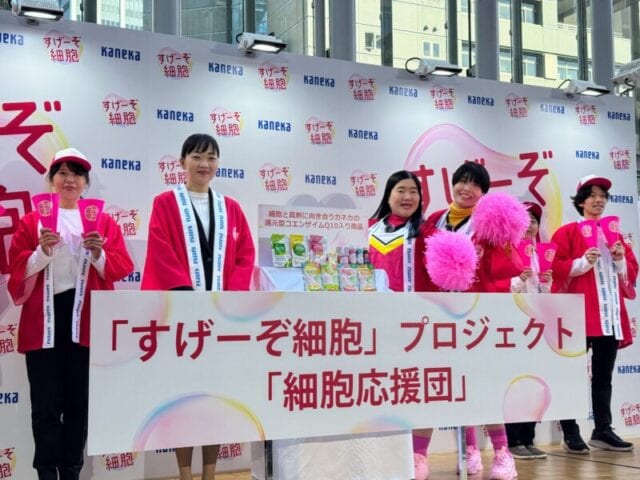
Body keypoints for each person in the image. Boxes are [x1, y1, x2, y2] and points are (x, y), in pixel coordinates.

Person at [7, 148, 134, 480]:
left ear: (85, 183)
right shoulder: (32, 221)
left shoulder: (102, 222)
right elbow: (16, 271)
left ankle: (71, 471)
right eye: (62, 172)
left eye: (76, 174)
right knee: (45, 406)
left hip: (86, 320)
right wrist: (41, 252)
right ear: (51, 180)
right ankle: (47, 472)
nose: (69, 179)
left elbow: (122, 266)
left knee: (79, 404)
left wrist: (99, 253)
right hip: (44, 322)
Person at [141, 133, 256, 480]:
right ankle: (184, 473)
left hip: (219, 319)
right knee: (183, 399)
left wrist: (228, 297)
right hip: (182, 317)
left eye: (211, 157)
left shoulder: (230, 208)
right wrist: (186, 294)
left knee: (215, 399)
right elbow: (160, 249)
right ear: (182, 162)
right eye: (196, 157)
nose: (204, 164)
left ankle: (210, 471)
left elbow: (245, 254)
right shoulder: (165, 203)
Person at [419, 162, 519, 480]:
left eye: (476, 185)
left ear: (483, 193)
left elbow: (505, 268)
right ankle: (446, 452)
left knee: (482, 384)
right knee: (437, 384)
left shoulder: (488, 222)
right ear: (452, 185)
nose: (467, 188)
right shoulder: (433, 220)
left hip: (476, 315)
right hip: (437, 314)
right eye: (462, 181)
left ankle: (503, 454)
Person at [551, 174, 637, 454]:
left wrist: (620, 258)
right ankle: (570, 430)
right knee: (570, 375)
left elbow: (631, 274)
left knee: (603, 376)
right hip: (578, 315)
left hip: (609, 316)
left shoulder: (616, 234)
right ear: (581, 201)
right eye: (592, 195)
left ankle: (602, 429)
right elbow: (555, 267)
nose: (598, 200)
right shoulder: (567, 232)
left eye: (602, 196)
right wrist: (582, 263)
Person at [367, 170, 432, 480]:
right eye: (401, 190)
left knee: (420, 389)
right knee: (381, 387)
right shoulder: (369, 229)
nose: (408, 197)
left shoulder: (428, 232)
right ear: (388, 194)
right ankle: (382, 453)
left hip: (416, 326)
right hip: (375, 324)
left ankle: (419, 454)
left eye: (414, 191)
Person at [505, 201, 551, 460]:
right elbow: (499, 287)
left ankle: (528, 438)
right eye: (524, 221)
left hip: (537, 326)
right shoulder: (506, 251)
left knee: (533, 383)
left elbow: (544, 295)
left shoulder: (542, 253)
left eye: (533, 221)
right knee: (515, 383)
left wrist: (547, 283)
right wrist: (519, 279)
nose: (529, 226)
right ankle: (512, 440)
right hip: (512, 324)